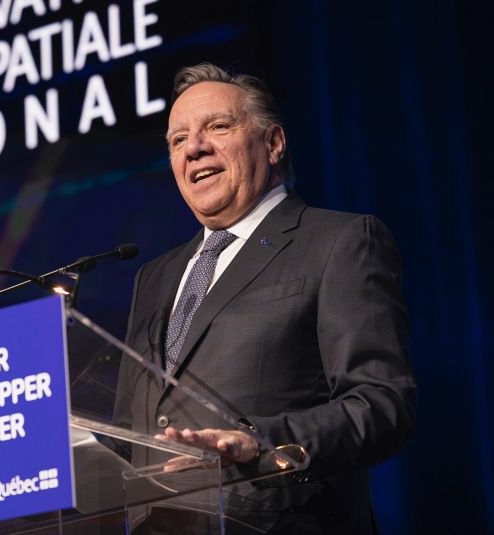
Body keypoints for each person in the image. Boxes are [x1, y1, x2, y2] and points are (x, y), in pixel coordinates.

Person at [113, 63, 416, 534]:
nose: (193, 147)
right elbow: (126, 436)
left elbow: (381, 404)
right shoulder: (154, 277)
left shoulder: (339, 241)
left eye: (217, 126)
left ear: (273, 143)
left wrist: (261, 444)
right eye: (177, 140)